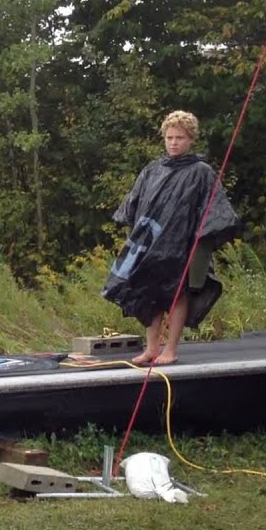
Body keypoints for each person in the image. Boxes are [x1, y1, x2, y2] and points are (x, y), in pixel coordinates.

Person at [101, 110, 241, 365]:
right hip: (151, 243)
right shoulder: (152, 170)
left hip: (182, 245)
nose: (174, 142)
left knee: (177, 294)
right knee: (149, 293)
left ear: (190, 139)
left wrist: (200, 243)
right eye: (169, 137)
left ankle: (171, 349)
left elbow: (215, 209)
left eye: (179, 137)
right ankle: (151, 348)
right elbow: (135, 204)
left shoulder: (201, 172)